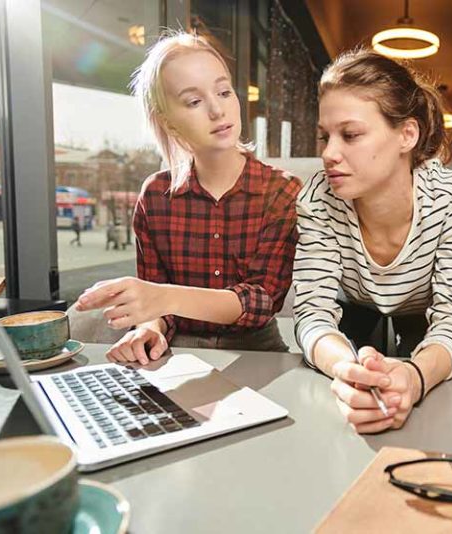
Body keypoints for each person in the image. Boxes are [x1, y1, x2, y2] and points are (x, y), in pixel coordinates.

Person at [75, 31, 300, 364]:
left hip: (258, 351)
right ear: (169, 123)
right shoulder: (154, 196)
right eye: (194, 101)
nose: (216, 109)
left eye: (224, 92)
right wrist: (149, 327)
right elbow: (155, 300)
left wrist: (162, 298)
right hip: (178, 351)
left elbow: (260, 302)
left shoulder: (281, 191)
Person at [293, 49, 452, 433]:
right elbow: (312, 312)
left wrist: (413, 378)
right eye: (324, 136)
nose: (329, 153)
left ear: (407, 135)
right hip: (351, 317)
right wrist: (348, 372)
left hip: (423, 318)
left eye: (350, 135)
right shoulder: (317, 199)